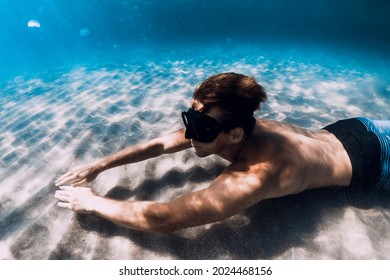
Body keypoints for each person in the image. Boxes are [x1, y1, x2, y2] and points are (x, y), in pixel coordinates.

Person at [54, 72, 390, 233]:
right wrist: (99, 165)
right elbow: (159, 145)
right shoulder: (228, 124)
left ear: (235, 134)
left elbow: (166, 218)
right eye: (190, 118)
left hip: (375, 163)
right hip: (354, 127)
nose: (190, 132)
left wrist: (91, 202)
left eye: (201, 126)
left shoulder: (256, 173)